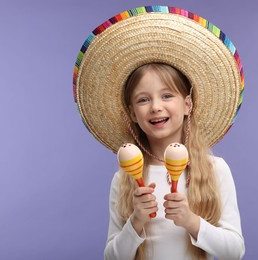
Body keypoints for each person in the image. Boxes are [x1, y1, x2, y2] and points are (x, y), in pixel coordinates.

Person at [73, 6, 245, 260]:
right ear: (131, 113)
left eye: (167, 95)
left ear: (188, 104)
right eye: (143, 100)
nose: (155, 107)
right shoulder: (123, 180)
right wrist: (136, 221)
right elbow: (112, 256)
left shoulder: (215, 169)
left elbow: (234, 252)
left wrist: (191, 221)